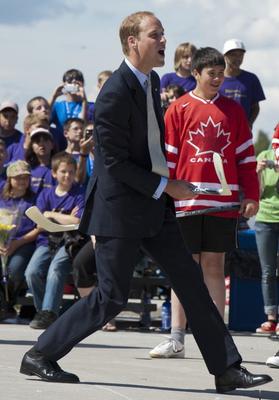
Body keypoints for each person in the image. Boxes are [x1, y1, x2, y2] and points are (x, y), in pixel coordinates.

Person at [20, 11, 272, 393]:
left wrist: (164, 189)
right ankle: (40, 354)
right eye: (156, 35)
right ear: (132, 42)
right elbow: (115, 164)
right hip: (120, 211)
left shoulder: (150, 81)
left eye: (164, 34)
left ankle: (227, 369)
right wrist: (166, 187)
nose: (164, 41)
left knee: (191, 284)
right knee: (110, 298)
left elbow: (147, 147)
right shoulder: (114, 93)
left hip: (154, 208)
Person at [150, 46, 260, 359]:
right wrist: (166, 192)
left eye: (220, 73)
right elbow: (167, 158)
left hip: (224, 204)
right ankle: (176, 338)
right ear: (195, 73)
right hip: (184, 202)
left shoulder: (234, 111)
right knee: (183, 268)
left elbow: (245, 158)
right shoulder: (178, 109)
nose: (217, 79)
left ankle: (218, 337)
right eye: (211, 73)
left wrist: (251, 194)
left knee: (214, 266)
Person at [24, 152, 85, 329]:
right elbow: (40, 223)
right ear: (54, 173)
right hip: (46, 240)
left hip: (70, 241)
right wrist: (62, 218)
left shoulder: (79, 193)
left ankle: (49, 313)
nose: (68, 175)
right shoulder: (46, 194)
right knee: (32, 272)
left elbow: (77, 222)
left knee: (56, 268)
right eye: (63, 171)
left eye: (71, 172)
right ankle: (44, 311)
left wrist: (51, 214)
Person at [0, 161, 38, 318]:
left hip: (24, 243)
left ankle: (9, 303)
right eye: (18, 178)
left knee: (13, 271)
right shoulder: (2, 197)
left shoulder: (35, 199)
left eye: (26, 178)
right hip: (2, 242)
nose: (22, 181)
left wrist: (17, 243)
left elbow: (38, 227)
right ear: (9, 179)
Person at [254, 148, 279, 334]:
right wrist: (258, 171)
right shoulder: (264, 155)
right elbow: (257, 193)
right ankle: (271, 318)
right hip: (265, 218)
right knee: (268, 271)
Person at [219, 39, 265, 130]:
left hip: (243, 131)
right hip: (220, 130)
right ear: (224, 56)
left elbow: (255, 107)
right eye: (233, 55)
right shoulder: (216, 79)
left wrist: (249, 123)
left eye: (240, 55)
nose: (237, 58)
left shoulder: (251, 79)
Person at [49, 69, 88, 149]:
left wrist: (84, 100)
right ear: (64, 84)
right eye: (70, 81)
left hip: (81, 147)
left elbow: (85, 123)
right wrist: (54, 97)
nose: (73, 83)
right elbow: (43, 120)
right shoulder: (58, 105)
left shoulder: (90, 106)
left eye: (77, 81)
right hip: (60, 146)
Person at [25, 127, 56, 196]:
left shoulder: (59, 168)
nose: (41, 144)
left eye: (45, 140)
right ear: (32, 147)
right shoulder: (27, 169)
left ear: (52, 145)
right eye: (37, 141)